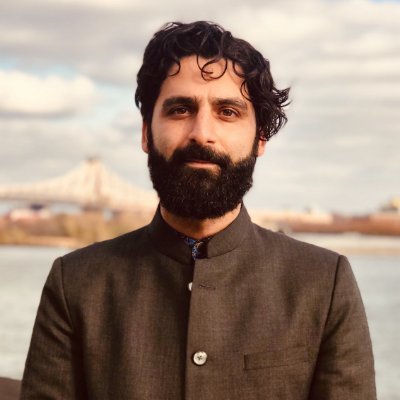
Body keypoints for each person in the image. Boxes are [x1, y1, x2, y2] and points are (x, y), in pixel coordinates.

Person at [20, 21, 376, 399]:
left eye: (228, 112)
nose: (202, 133)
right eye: (180, 109)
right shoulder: (76, 283)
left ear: (260, 139)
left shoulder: (323, 283)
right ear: (146, 133)